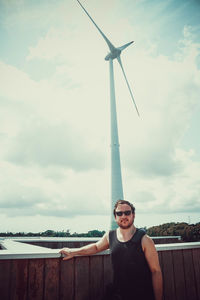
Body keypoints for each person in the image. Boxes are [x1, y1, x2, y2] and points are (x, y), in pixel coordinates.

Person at [59, 199, 163, 300]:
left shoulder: (145, 240)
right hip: (118, 294)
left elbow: (156, 272)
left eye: (127, 212)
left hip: (142, 295)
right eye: (119, 213)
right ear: (115, 217)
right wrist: (73, 251)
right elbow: (96, 247)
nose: (123, 216)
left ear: (133, 215)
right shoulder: (110, 235)